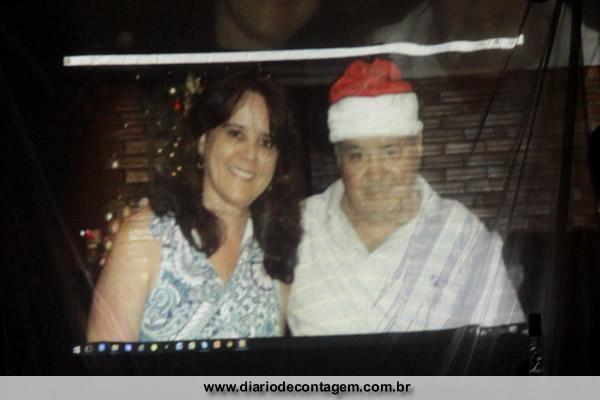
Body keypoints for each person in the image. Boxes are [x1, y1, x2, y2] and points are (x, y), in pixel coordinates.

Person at [287, 58, 525, 335]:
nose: (376, 174)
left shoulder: (462, 234)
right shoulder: (298, 226)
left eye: (390, 152)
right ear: (339, 158)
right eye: (358, 155)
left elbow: (508, 344)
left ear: (417, 146)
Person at [87, 74, 305, 342]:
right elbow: (105, 361)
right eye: (235, 133)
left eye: (266, 142)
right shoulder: (147, 236)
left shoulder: (276, 258)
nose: (250, 155)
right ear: (203, 141)